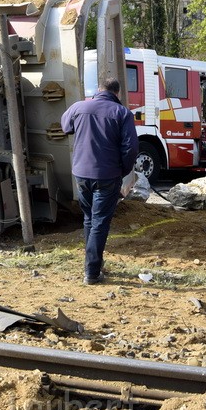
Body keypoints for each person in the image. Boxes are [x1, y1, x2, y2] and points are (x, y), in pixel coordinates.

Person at [61, 78, 138, 285]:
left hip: (81, 174)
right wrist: (122, 170)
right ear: (117, 93)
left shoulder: (79, 107)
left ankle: (92, 264)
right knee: (100, 222)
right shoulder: (122, 113)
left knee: (89, 219)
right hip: (107, 175)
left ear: (99, 90)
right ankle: (92, 272)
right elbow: (131, 148)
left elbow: (64, 127)